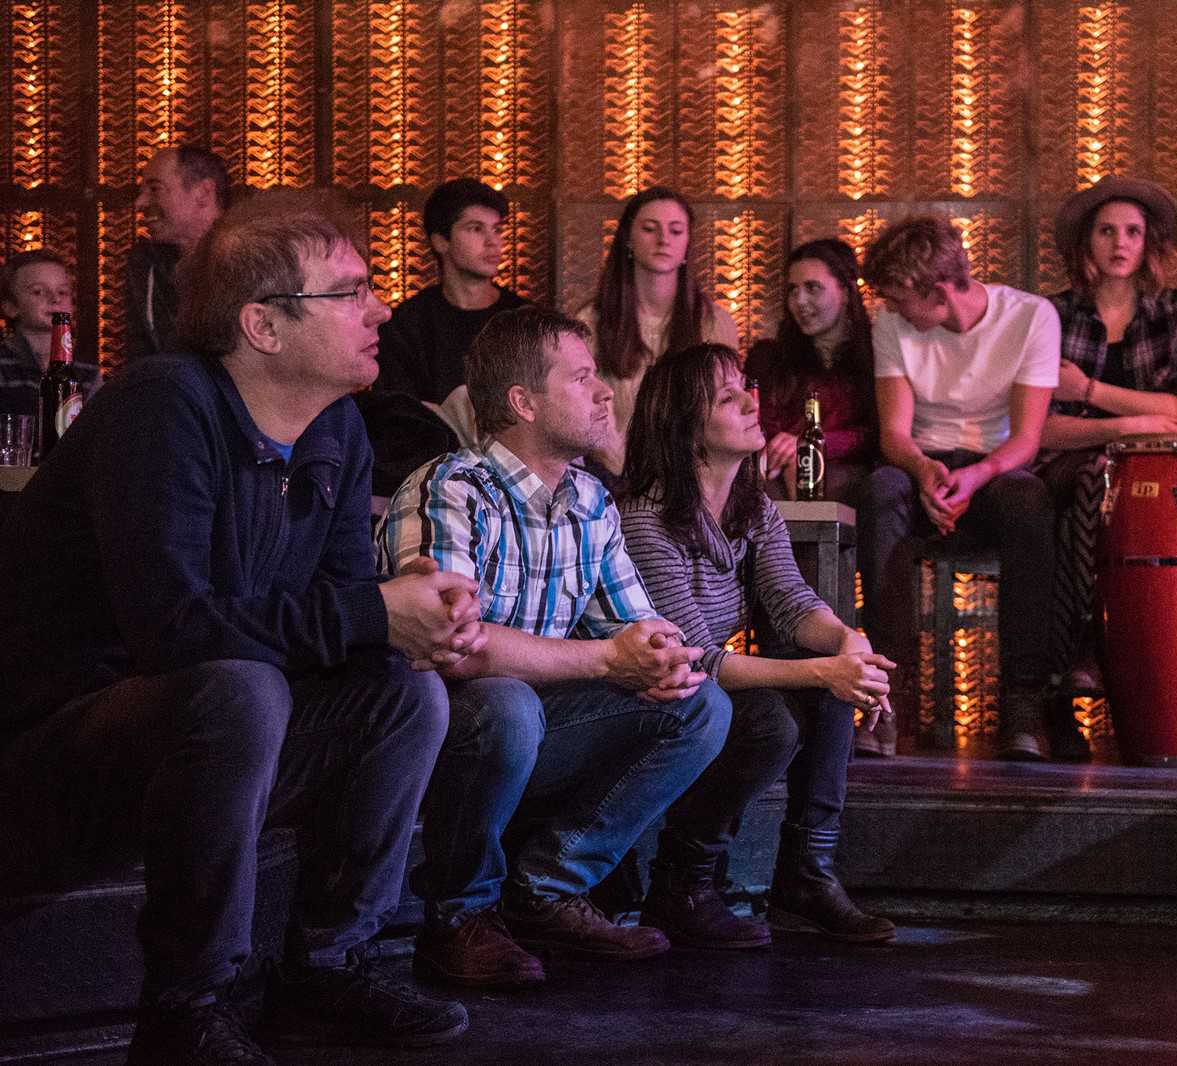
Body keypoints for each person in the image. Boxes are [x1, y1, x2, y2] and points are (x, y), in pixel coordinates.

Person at [0, 189, 481, 1065]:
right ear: (264, 324)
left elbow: (332, 612)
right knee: (239, 688)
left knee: (403, 695)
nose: (380, 311)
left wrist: (402, 611)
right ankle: (186, 1002)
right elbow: (172, 630)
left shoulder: (337, 427)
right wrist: (373, 612)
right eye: (352, 292)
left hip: (207, 741)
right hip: (56, 747)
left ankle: (328, 964)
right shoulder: (164, 405)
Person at [378, 305, 733, 991]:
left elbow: (635, 626)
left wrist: (659, 653)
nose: (604, 392)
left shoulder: (591, 500)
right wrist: (608, 660)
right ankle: (457, 916)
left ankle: (544, 888)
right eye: (582, 378)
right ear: (523, 402)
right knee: (505, 704)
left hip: (538, 726)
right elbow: (455, 650)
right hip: (435, 733)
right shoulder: (452, 487)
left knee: (699, 704)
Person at [619, 342, 898, 946]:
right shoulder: (646, 519)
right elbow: (699, 658)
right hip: (637, 688)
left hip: (700, 683)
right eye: (729, 396)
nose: (754, 401)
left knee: (825, 686)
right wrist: (828, 671)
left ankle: (807, 876)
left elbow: (794, 607)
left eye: (747, 386)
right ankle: (682, 884)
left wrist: (849, 645)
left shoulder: (753, 508)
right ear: (686, 428)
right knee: (772, 720)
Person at [857, 216, 1059, 760]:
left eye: (901, 298)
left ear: (939, 292)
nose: (894, 309)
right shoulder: (891, 326)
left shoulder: (1031, 317)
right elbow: (894, 433)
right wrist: (926, 472)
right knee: (880, 492)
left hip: (996, 469)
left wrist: (976, 476)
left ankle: (1023, 702)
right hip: (921, 463)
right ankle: (888, 701)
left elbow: (1028, 439)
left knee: (1030, 501)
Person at [1038, 177, 1177, 729]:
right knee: (1092, 481)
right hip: (1069, 466)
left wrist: (1087, 392)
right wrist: (1135, 424)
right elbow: (1039, 430)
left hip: (1151, 470)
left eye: (1133, 231)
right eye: (1106, 230)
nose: (1120, 242)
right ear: (1086, 243)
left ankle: (1109, 668)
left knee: (1114, 486)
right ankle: (1081, 649)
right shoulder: (1052, 315)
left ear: (1148, 243)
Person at [576, 186, 738, 481]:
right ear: (628, 238)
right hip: (611, 473)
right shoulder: (592, 321)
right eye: (650, 229)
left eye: (676, 231)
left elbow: (726, 409)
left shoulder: (714, 323)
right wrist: (621, 467)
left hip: (692, 478)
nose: (664, 240)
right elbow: (582, 407)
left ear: (688, 243)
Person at [744, 238, 879, 507]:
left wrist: (810, 447)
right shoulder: (769, 357)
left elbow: (875, 434)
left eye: (812, 288)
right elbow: (754, 420)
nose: (800, 301)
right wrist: (784, 450)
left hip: (845, 473)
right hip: (774, 471)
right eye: (793, 290)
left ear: (846, 291)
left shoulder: (874, 355)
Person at [375, 178, 527, 406]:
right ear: (440, 241)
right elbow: (399, 413)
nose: (493, 242)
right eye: (476, 228)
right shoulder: (407, 325)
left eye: (496, 229)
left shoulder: (524, 319)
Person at [128, 144, 229, 361]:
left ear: (203, 193)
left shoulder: (252, 264)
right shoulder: (146, 266)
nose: (140, 203)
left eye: (155, 189)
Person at [0, 249, 101, 418]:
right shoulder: (4, 367)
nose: (55, 299)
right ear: (11, 307)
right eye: (38, 291)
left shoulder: (87, 372)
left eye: (62, 292)